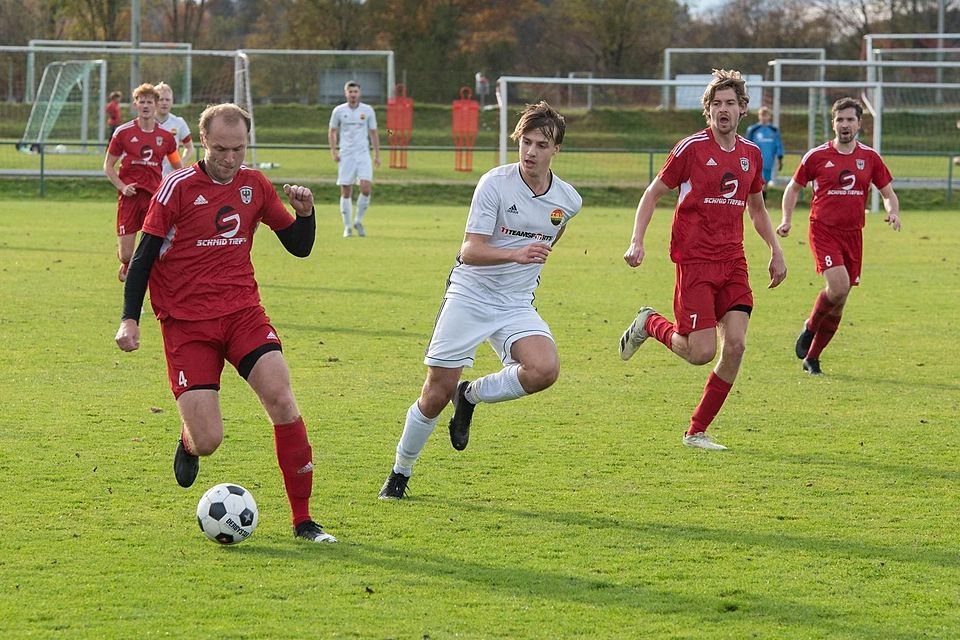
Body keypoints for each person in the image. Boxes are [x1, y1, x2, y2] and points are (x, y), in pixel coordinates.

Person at [114, 103, 336, 544]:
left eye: (238, 149)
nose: (230, 159)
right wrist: (129, 321)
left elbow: (298, 246)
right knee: (209, 439)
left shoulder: (255, 185)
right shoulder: (175, 187)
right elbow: (142, 258)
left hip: (242, 314)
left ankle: (304, 520)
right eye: (220, 149)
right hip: (186, 323)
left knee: (283, 400)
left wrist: (306, 214)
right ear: (202, 142)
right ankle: (190, 436)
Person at [378, 101, 582, 499]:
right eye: (525, 142)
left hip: (515, 303)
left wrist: (523, 266)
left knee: (544, 370)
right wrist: (515, 254)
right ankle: (400, 472)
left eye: (541, 144)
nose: (530, 152)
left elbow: (551, 238)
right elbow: (469, 251)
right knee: (435, 393)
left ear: (556, 149)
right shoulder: (495, 183)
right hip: (470, 295)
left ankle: (470, 395)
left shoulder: (568, 201)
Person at [619, 69, 787, 451]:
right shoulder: (690, 149)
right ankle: (650, 323)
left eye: (730, 103)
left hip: (733, 261)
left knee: (738, 346)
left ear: (743, 108)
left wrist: (776, 251)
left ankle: (696, 431)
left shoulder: (751, 154)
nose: (723, 110)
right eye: (716, 104)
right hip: (694, 260)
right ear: (707, 111)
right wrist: (637, 240)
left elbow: (757, 208)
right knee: (701, 353)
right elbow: (652, 193)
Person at [778, 97, 900, 376]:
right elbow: (793, 188)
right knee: (838, 286)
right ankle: (809, 326)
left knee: (840, 301)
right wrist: (786, 219)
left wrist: (893, 212)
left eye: (850, 119)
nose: (845, 124)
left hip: (853, 235)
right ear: (833, 123)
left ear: (859, 123)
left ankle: (812, 358)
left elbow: (888, 193)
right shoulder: (816, 156)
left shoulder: (870, 158)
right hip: (823, 230)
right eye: (840, 119)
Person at [104, 83, 182, 283]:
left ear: (156, 105)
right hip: (129, 199)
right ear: (135, 105)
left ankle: (140, 294)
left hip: (154, 199)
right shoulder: (123, 133)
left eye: (150, 102)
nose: (146, 105)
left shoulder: (166, 137)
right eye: (142, 102)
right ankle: (126, 262)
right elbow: (108, 166)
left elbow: (177, 166)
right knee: (127, 256)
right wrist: (123, 187)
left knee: (150, 253)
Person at [328, 80, 380, 237]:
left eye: (355, 92)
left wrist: (377, 154)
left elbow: (373, 132)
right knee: (346, 190)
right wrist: (334, 151)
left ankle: (358, 220)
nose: (353, 94)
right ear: (346, 93)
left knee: (366, 187)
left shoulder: (368, 110)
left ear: (359, 93)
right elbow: (332, 131)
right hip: (346, 154)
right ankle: (347, 227)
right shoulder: (338, 111)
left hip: (363, 153)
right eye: (350, 92)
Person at [154, 81, 194, 177]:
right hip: (150, 177)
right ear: (154, 101)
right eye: (161, 99)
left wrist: (181, 163)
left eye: (167, 100)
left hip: (170, 177)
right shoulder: (146, 122)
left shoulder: (178, 122)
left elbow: (190, 147)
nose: (164, 103)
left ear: (172, 102)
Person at [744, 106, 784, 200]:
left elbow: (778, 145)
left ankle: (762, 203)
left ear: (769, 116)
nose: (764, 117)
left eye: (766, 115)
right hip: (754, 161)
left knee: (764, 182)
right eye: (762, 115)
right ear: (759, 116)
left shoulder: (774, 131)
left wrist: (780, 158)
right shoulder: (753, 130)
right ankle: (752, 202)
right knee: (754, 181)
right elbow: (746, 144)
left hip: (768, 160)